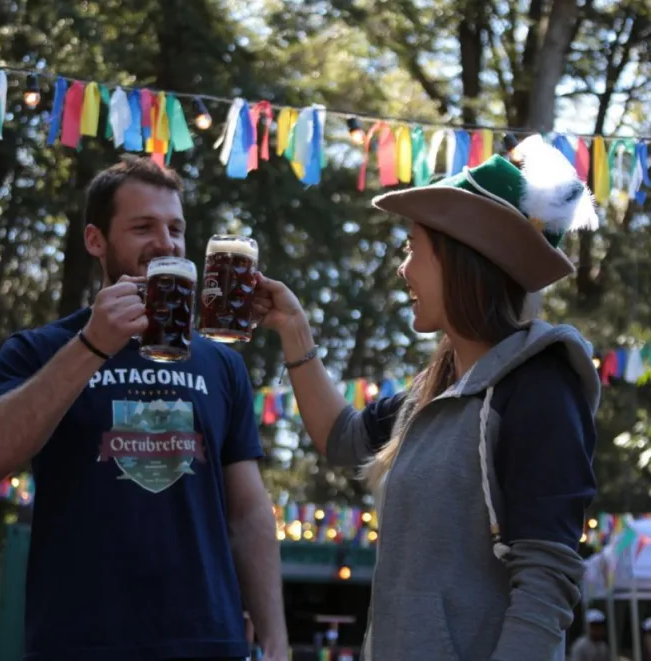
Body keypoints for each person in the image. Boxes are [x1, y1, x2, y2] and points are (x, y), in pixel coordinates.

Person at [253, 135, 601, 660]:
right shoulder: (434, 391)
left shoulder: (540, 387)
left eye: (414, 247)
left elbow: (546, 585)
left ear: (463, 256)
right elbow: (344, 439)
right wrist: (293, 328)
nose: (403, 268)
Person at [0, 157, 287, 661]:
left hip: (207, 640)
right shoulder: (40, 350)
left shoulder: (222, 364)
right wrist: (92, 344)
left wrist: (277, 641)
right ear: (96, 240)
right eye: (143, 227)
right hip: (82, 642)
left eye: (175, 228)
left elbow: (247, 514)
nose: (166, 243)